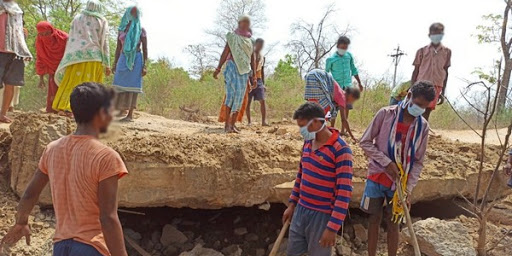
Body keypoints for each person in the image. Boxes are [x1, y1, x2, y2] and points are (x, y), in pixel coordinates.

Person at [0, 82, 128, 256]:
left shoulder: (52, 149)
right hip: (92, 247)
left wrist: (21, 222)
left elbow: (30, 194)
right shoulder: (106, 157)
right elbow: (108, 218)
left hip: (61, 247)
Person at [359, 81, 435, 256]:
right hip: (377, 176)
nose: (420, 109)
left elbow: (418, 161)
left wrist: (408, 189)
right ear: (408, 96)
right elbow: (365, 142)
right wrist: (386, 162)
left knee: (394, 224)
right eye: (418, 104)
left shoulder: (422, 126)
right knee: (373, 219)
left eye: (424, 107)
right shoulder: (386, 114)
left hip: (401, 183)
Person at [282, 102, 353, 256]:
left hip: (322, 216)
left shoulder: (341, 149)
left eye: (302, 126)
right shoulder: (307, 144)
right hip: (301, 210)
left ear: (315, 122)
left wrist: (332, 227)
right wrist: (292, 204)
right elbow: (301, 175)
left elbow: (344, 192)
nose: (301, 131)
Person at [52, 0, 111, 117]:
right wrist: (107, 63)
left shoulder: (77, 18)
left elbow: (71, 37)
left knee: (72, 82)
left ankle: (65, 107)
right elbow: (105, 42)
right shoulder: (101, 20)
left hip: (75, 56)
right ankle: (87, 110)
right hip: (93, 57)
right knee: (90, 85)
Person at [213, 15, 256, 133]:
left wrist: (254, 77)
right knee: (230, 96)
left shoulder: (251, 41)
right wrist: (218, 69)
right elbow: (225, 53)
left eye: (247, 23)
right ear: (239, 23)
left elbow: (252, 59)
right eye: (243, 22)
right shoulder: (232, 38)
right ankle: (227, 125)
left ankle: (232, 124)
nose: (245, 25)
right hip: (232, 68)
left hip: (244, 71)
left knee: (239, 98)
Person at [112, 6, 147, 122]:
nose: (133, 15)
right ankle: (119, 110)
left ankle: (130, 114)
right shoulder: (121, 29)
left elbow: (145, 49)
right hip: (123, 58)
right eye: (131, 12)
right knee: (118, 84)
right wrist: (115, 63)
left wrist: (144, 66)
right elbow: (118, 48)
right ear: (127, 14)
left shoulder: (141, 30)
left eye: (135, 13)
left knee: (133, 86)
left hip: (136, 59)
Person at [0, 0, 32, 123]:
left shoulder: (17, 9)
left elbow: (18, 30)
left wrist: (24, 47)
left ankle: (3, 114)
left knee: (11, 83)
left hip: (16, 52)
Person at [304, 69, 358, 142]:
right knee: (324, 110)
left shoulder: (337, 93)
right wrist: (352, 136)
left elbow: (333, 113)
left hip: (310, 76)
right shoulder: (342, 97)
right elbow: (343, 119)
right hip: (317, 77)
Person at [411, 23, 451, 120]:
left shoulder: (447, 52)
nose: (437, 35)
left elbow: (445, 72)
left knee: (426, 111)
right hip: (420, 85)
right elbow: (415, 71)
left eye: (439, 33)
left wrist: (443, 91)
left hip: (436, 85)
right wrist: (412, 88)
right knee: (415, 110)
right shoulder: (422, 51)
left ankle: (422, 132)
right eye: (435, 33)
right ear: (430, 35)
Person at [326, 36, 363, 135]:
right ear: (338, 46)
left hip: (348, 86)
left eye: (346, 47)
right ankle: (332, 128)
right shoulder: (331, 59)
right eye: (342, 47)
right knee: (334, 108)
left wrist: (359, 83)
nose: (344, 50)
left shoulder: (349, 56)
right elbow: (326, 73)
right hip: (336, 87)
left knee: (347, 107)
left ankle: (343, 130)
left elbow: (354, 69)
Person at [35, 21, 68, 114]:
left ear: (51, 30)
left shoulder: (64, 38)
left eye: (47, 33)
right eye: (42, 34)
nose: (45, 36)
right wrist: (41, 78)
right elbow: (40, 58)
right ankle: (53, 110)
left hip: (65, 67)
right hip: (52, 69)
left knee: (66, 87)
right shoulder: (40, 41)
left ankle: (65, 109)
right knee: (53, 87)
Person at [246, 38, 268, 126]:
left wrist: (263, 83)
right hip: (249, 79)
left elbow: (262, 70)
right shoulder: (250, 55)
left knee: (262, 100)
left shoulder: (262, 57)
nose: (260, 47)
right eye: (258, 45)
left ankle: (264, 121)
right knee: (248, 101)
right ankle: (249, 122)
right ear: (255, 45)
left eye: (261, 45)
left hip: (258, 80)